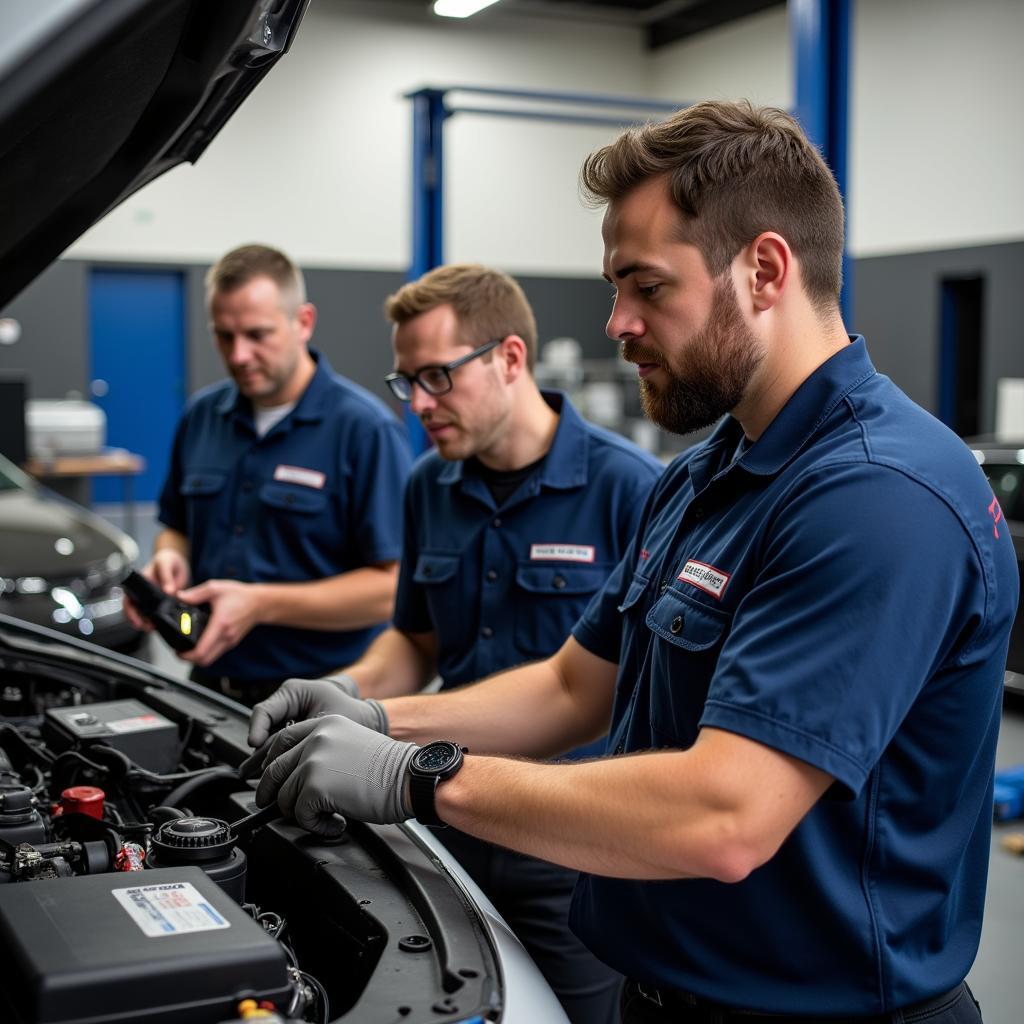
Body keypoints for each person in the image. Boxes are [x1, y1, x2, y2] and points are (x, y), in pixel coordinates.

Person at [244, 102, 1019, 1023]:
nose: (616, 322)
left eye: (646, 287)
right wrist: (376, 716)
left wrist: (412, 776)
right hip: (659, 993)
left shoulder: (877, 495)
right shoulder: (703, 476)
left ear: (765, 269)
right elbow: (574, 688)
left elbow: (725, 816)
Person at [249, 263, 662, 1023]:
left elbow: (602, 695)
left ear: (509, 357)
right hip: (438, 809)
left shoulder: (631, 490)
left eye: (437, 377)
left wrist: (381, 722)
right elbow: (414, 642)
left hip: (569, 844)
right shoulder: (427, 487)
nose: (420, 406)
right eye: (406, 383)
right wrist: (349, 693)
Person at [125, 244, 412, 705]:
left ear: (303, 321)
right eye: (224, 336)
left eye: (258, 334)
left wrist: (259, 605)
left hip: (324, 699)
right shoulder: (202, 416)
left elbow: (392, 588)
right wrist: (168, 559)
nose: (239, 355)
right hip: (211, 688)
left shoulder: (364, 430)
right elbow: (175, 526)